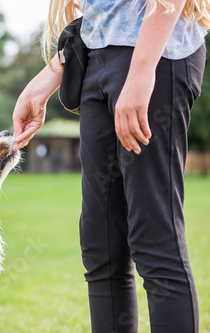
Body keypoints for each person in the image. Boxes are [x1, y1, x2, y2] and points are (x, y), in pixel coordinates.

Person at [12, 0, 209, 332]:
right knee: (101, 245)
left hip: (156, 56)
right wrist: (51, 74)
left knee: (155, 240)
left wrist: (142, 71)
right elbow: (105, 13)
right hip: (98, 61)